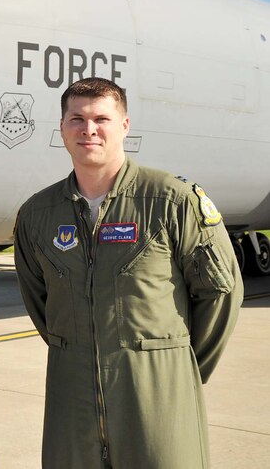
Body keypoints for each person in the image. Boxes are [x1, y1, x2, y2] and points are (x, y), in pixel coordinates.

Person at [13, 78, 243, 468]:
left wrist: (171, 366)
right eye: (76, 119)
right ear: (63, 128)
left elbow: (220, 294)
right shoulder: (38, 214)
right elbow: (41, 301)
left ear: (124, 125)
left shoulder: (172, 200)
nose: (89, 129)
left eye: (101, 118)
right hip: (74, 406)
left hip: (158, 400)